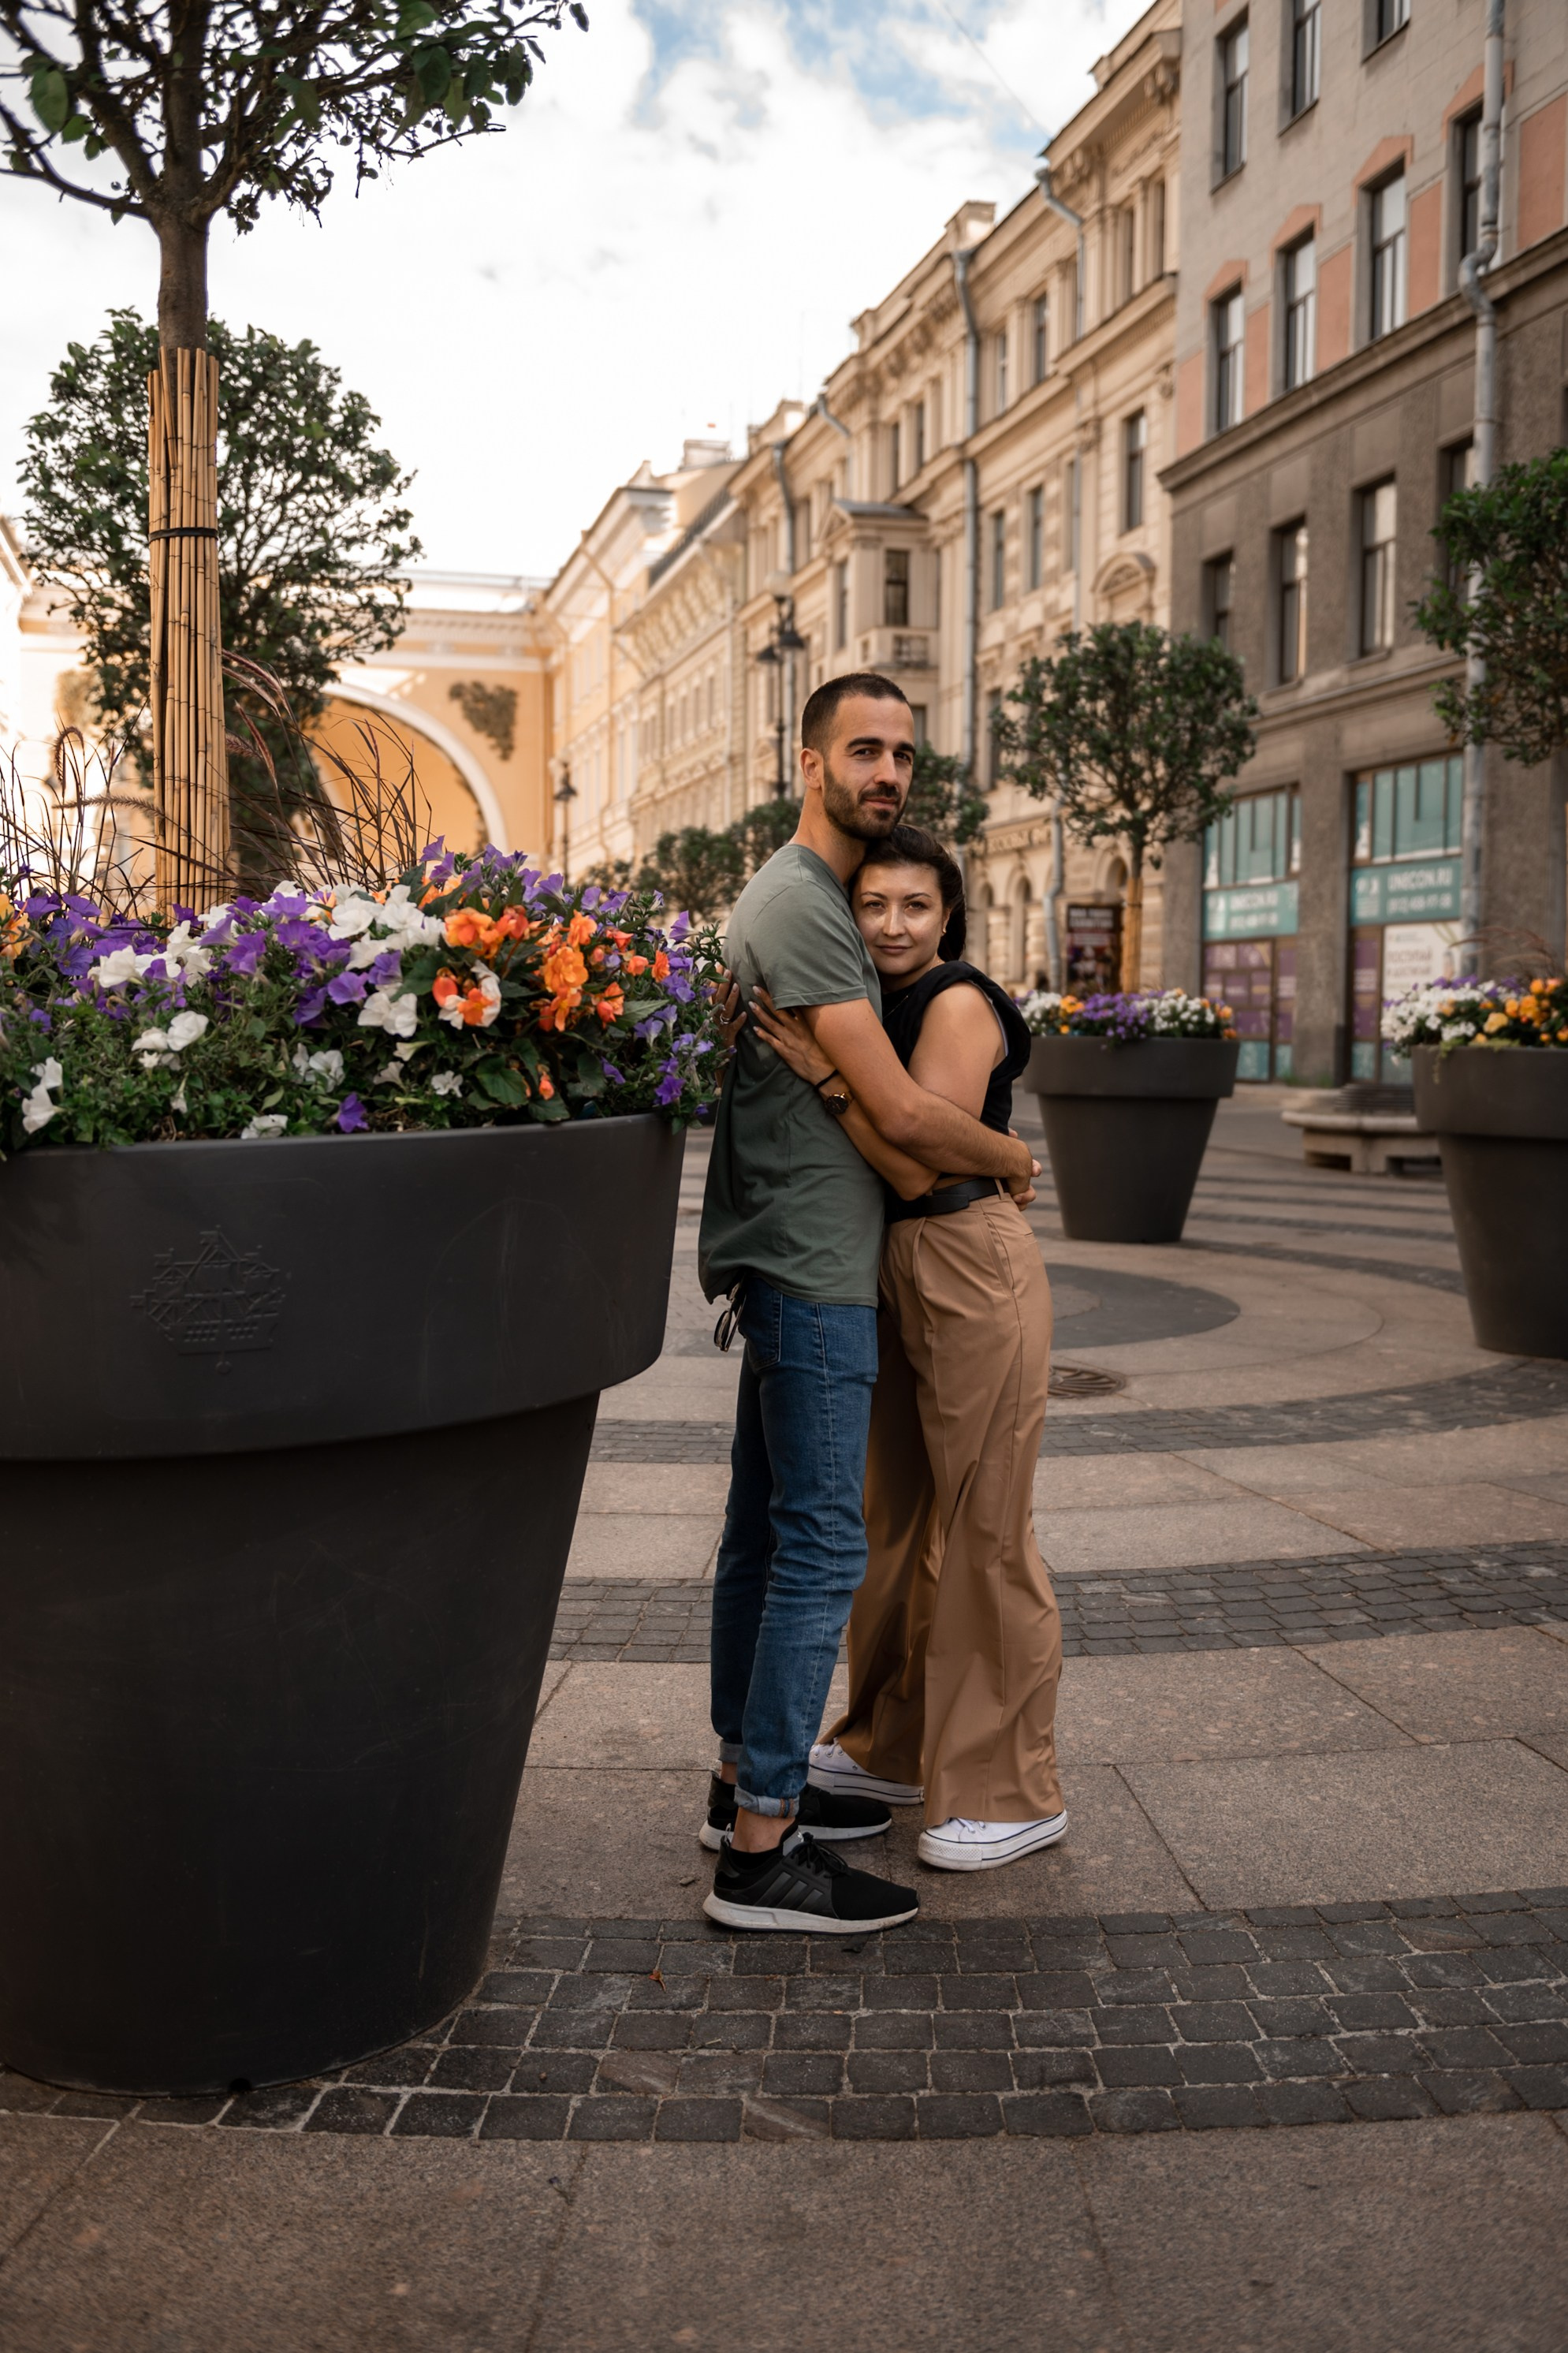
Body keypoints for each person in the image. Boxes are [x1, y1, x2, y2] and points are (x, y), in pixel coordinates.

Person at [698, 675, 1038, 1934]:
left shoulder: (807, 900)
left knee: (761, 1534)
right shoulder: (800, 901)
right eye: (862, 749)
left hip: (801, 1258)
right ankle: (763, 1849)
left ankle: (745, 1781)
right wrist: (1009, 1157)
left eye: (901, 752)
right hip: (819, 1268)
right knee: (821, 1549)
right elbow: (900, 1116)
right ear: (807, 760)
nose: (887, 770)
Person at [746, 822, 1067, 1873]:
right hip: (886, 1272)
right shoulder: (864, 1003)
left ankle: (1013, 1789)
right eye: (872, 905)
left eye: (913, 906)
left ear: (948, 917)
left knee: (983, 1529)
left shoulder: (956, 1000)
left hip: (965, 1257)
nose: (890, 923)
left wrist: (832, 1083)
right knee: (894, 1525)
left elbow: (921, 1158)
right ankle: (888, 1746)